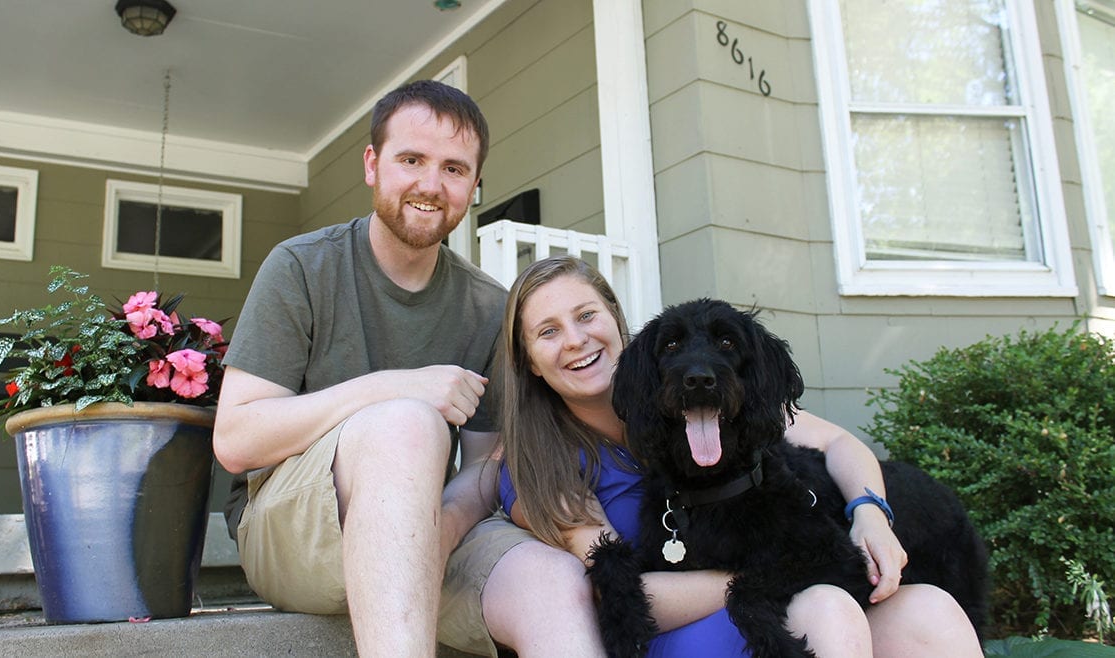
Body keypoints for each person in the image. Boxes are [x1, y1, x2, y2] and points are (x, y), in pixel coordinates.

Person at [213, 80, 607, 657]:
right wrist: (389, 388)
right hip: (289, 527)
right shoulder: (301, 267)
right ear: (373, 164)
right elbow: (236, 439)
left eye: (453, 168)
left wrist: (442, 527)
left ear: (474, 187)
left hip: (425, 525)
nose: (430, 184)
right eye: (411, 159)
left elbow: (484, 467)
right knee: (406, 424)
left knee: (556, 583)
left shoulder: (489, 308)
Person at [497, 255, 984, 657]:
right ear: (529, 362)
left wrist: (870, 513)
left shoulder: (733, 410)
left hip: (783, 594)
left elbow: (838, 444)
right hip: (696, 624)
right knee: (827, 607)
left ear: (616, 322)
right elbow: (615, 592)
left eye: (585, 316)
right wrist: (762, 578)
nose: (576, 340)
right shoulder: (544, 461)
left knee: (931, 610)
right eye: (548, 331)